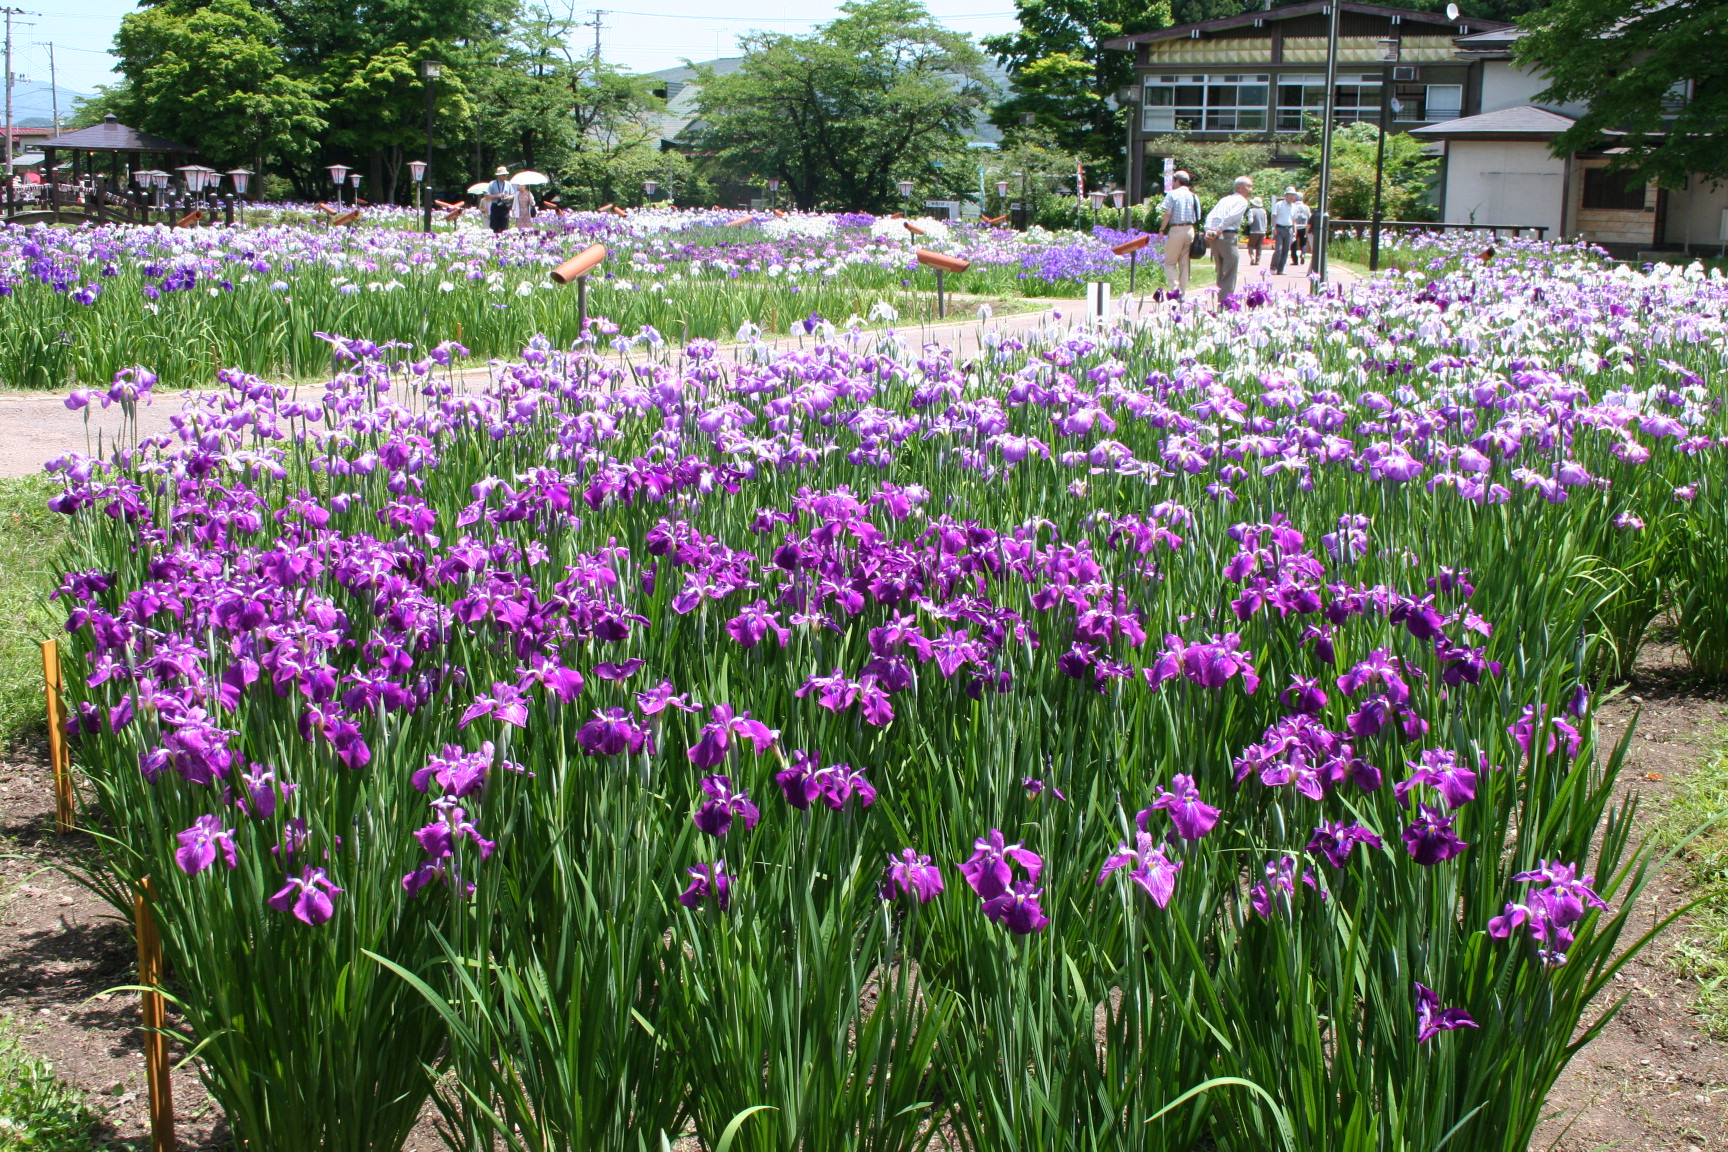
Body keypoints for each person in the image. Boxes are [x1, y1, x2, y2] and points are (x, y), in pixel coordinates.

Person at [1204, 175, 1253, 300]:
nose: (1251, 189)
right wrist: (1217, 231)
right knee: (1230, 271)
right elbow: (1231, 217)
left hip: (1216, 238)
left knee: (1221, 271)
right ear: (1239, 188)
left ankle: (1221, 300)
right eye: (1248, 186)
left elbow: (1211, 215)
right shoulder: (1242, 201)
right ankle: (1226, 303)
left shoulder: (1224, 199)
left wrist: (1209, 231)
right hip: (1227, 236)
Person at [1159, 170, 1202, 294]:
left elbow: (1167, 213)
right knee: (1184, 263)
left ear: (1177, 180)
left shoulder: (1172, 194)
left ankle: (1175, 290)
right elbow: (1197, 216)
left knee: (1170, 262)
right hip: (1189, 229)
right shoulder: (1194, 196)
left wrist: (1162, 229)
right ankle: (1183, 291)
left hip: (1176, 229)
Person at [1271, 186, 1299, 274]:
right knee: (1278, 249)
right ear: (1286, 195)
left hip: (1289, 229)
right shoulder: (1279, 204)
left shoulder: (1294, 207)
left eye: (1293, 195)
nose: (1292, 197)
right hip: (1279, 228)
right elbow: (1274, 216)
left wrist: (1295, 230)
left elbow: (1294, 219)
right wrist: (1274, 228)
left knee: (1286, 250)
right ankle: (1273, 268)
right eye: (1290, 195)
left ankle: (1281, 269)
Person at [482, 166, 513, 235]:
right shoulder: (492, 184)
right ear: (499, 176)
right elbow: (487, 196)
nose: (505, 176)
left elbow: (513, 195)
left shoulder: (508, 184)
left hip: (505, 207)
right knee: (494, 227)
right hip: (495, 207)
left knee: (505, 228)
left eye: (506, 175)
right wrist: (497, 195)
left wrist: (508, 197)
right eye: (504, 175)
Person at [1246, 196, 1268, 266]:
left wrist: (1247, 223)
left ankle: (1252, 257)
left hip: (1253, 231)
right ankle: (1258, 260)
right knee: (1259, 246)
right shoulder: (1263, 211)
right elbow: (1265, 222)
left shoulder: (1251, 210)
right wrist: (1265, 230)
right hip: (1262, 231)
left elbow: (1251, 221)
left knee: (1250, 245)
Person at [1292, 194, 1312, 267]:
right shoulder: (1306, 207)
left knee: (1293, 244)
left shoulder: (1293, 206)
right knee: (1303, 243)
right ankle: (1303, 253)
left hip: (1295, 227)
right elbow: (1309, 217)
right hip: (1304, 226)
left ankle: (1295, 260)